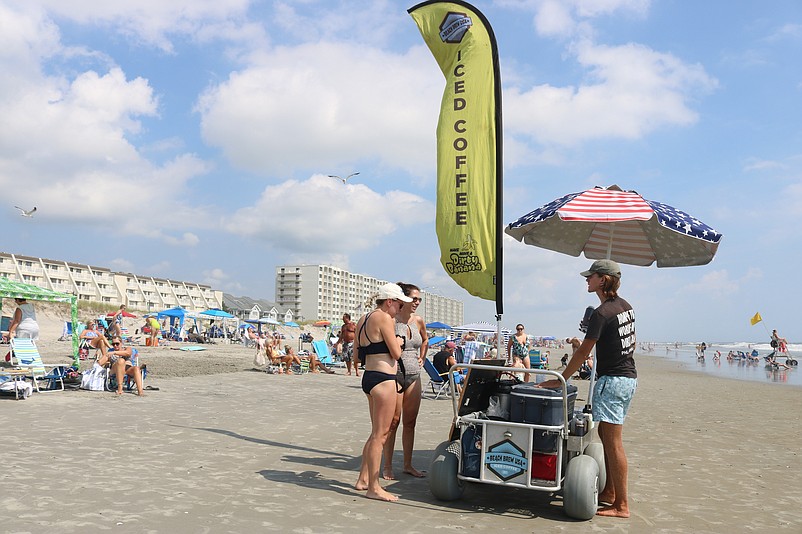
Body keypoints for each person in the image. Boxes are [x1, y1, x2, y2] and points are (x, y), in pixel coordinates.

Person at [540, 259, 637, 519]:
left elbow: (584, 351)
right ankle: (610, 493)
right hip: (627, 378)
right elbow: (629, 344)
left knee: (614, 443)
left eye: (591, 276)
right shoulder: (625, 307)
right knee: (605, 436)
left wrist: (560, 378)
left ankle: (622, 505)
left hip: (613, 381)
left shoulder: (602, 312)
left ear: (603, 280)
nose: (587, 280)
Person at [354, 283, 411, 502]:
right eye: (398, 304)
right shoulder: (384, 318)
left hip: (369, 378)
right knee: (381, 435)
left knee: (375, 433)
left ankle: (362, 479)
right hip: (384, 380)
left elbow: (356, 357)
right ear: (389, 302)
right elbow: (396, 353)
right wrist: (398, 341)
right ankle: (374, 487)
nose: (399, 309)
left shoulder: (363, 320)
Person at [383, 282, 428, 480]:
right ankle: (387, 466)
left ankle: (408, 465)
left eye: (419, 299)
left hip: (414, 375)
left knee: (410, 422)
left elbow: (425, 340)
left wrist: (423, 357)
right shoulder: (391, 320)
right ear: (405, 299)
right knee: (393, 422)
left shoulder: (418, 321)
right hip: (394, 374)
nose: (417, 302)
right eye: (414, 298)